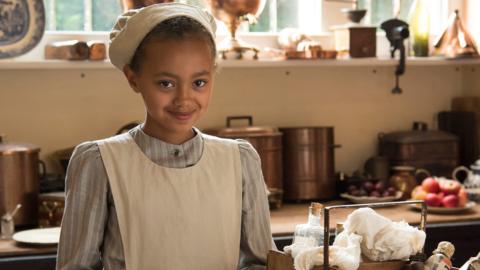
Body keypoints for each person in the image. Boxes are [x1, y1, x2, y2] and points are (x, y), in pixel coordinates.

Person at [56, 2, 274, 270]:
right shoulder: (99, 162)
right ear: (133, 79)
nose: (184, 99)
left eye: (199, 83)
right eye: (166, 83)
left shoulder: (240, 161)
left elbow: (260, 264)